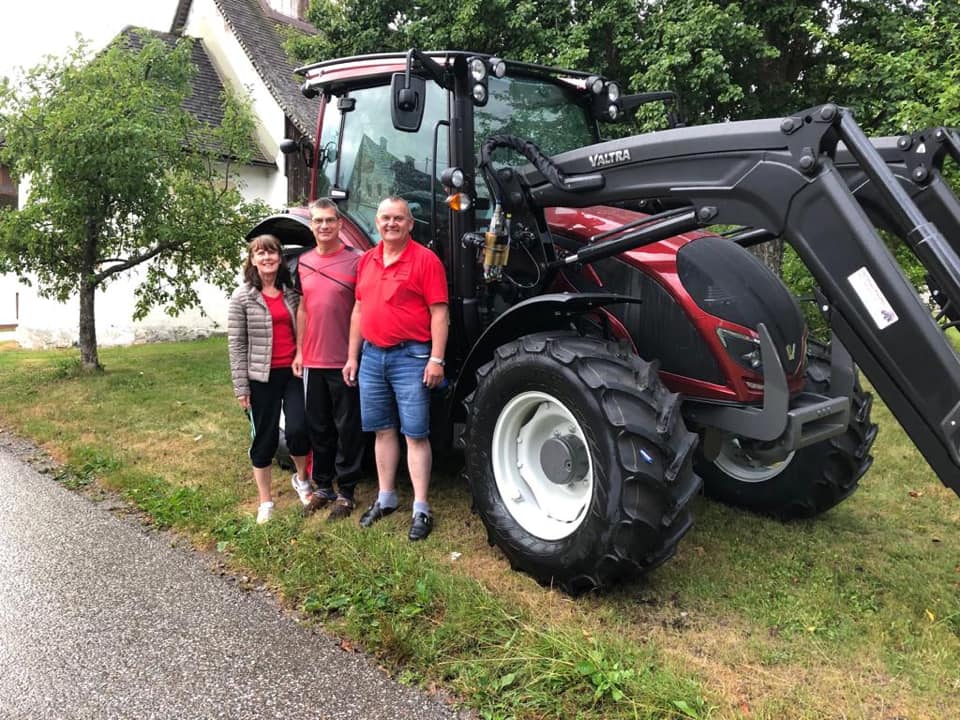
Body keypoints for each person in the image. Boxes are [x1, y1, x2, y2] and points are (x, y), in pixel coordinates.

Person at [343, 196, 449, 541]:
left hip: (411, 358)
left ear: (410, 224)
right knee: (382, 431)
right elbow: (359, 310)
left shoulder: (426, 260)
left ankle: (420, 507)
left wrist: (436, 358)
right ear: (377, 223)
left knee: (415, 434)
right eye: (386, 218)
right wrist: (353, 357)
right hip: (373, 356)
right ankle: (386, 498)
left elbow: (439, 313)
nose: (391, 223)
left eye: (398, 219)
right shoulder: (367, 261)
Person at [228, 234, 310, 524]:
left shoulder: (291, 293)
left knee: (299, 429)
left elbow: (303, 328)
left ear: (280, 258)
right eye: (260, 254)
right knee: (265, 439)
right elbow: (236, 345)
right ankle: (265, 501)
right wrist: (241, 387)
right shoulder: (242, 297)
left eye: (272, 253)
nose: (267, 258)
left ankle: (302, 481)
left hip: (291, 373)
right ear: (252, 260)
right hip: (260, 377)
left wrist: (301, 353)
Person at [292, 198, 364, 521]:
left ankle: (346, 492)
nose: (324, 226)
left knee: (347, 427)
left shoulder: (355, 261)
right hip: (313, 360)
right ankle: (323, 487)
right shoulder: (303, 263)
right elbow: (304, 307)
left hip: (343, 360)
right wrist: (299, 351)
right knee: (318, 427)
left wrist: (353, 355)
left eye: (329, 221)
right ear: (312, 226)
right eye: (318, 221)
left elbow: (361, 310)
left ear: (339, 224)